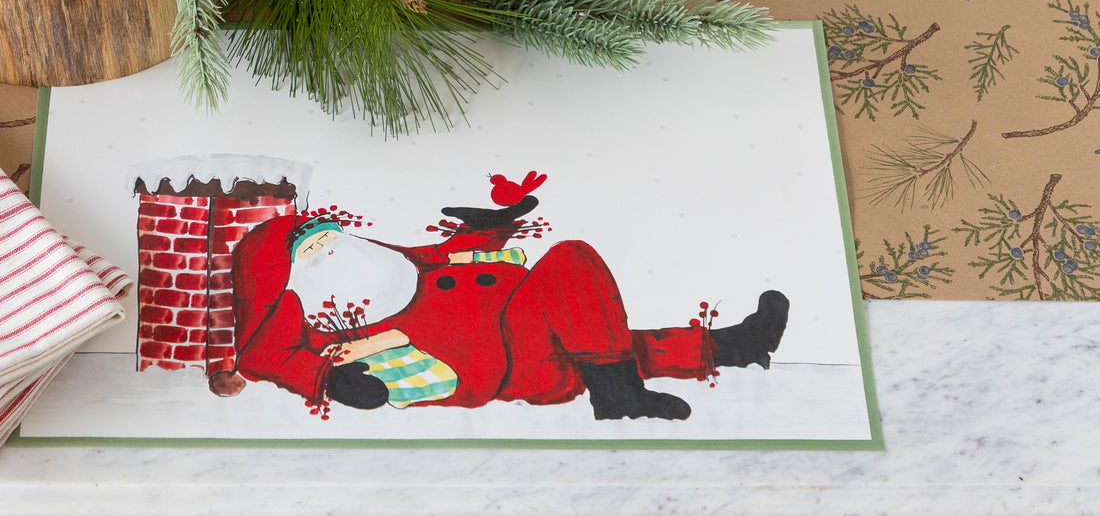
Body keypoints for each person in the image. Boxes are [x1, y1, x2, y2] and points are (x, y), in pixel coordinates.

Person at [231, 190, 790, 421]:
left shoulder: (388, 262)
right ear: (292, 274)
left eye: (331, 237)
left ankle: (739, 347)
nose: (333, 247)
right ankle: (618, 393)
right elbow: (265, 354)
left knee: (621, 344)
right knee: (570, 262)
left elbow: (438, 254)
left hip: (522, 325)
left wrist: (493, 225)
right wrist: (332, 381)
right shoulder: (313, 311)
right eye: (316, 250)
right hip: (499, 356)